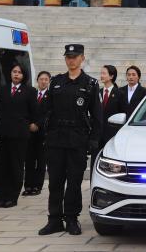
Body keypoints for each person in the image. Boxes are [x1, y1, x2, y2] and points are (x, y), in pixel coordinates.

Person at [39, 44, 102, 236]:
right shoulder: (56, 82)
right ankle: (54, 219)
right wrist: (45, 133)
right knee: (55, 182)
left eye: (75, 57)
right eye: (68, 57)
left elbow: (97, 116)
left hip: (77, 140)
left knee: (74, 182)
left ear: (82, 58)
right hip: (56, 140)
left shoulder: (90, 84)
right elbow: (45, 110)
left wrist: (94, 140)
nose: (71, 60)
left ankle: (72, 218)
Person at [0, 63, 39, 208]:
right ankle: (1, 197)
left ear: (23, 75)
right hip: (3, 131)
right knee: (2, 165)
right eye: (14, 71)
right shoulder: (2, 89)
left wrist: (33, 123)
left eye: (19, 72)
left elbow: (34, 111)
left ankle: (12, 197)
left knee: (16, 165)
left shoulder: (30, 91)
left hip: (19, 132)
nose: (16, 74)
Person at [24, 70, 51, 196]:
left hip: (43, 133)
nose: (43, 81)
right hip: (29, 132)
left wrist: (38, 124)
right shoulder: (31, 94)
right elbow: (26, 110)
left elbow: (48, 113)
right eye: (41, 79)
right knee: (29, 160)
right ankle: (28, 186)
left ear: (49, 82)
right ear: (37, 80)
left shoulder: (51, 96)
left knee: (41, 161)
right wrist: (30, 124)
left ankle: (37, 186)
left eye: (46, 79)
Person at [91, 65, 120, 173]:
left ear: (111, 76)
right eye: (101, 73)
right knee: (94, 163)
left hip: (111, 135)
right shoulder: (97, 92)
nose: (101, 76)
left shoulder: (119, 94)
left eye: (104, 73)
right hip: (97, 135)